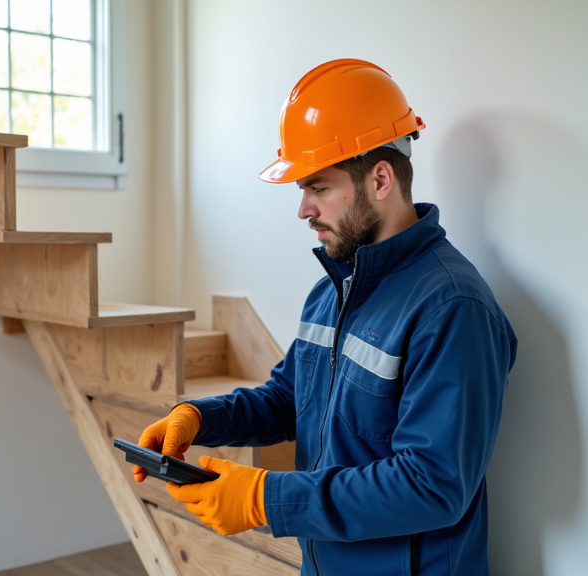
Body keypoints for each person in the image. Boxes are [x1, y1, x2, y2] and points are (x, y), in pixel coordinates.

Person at [134, 58, 518, 576]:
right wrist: (201, 417)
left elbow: (433, 483)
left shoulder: (452, 306)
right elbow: (290, 399)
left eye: (319, 188)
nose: (303, 210)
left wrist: (264, 498)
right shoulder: (333, 289)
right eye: (303, 191)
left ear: (381, 179)